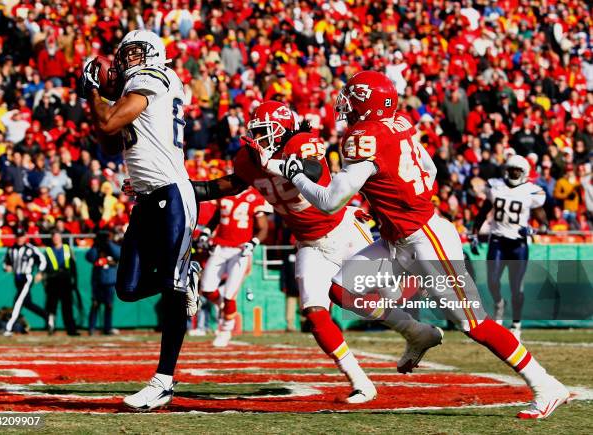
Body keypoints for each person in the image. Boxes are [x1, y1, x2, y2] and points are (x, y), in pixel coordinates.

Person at [280, 71, 569, 419]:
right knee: (341, 291)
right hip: (395, 238)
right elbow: (429, 170)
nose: (345, 105)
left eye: (351, 98)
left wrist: (295, 174)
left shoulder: (364, 137)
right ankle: (417, 334)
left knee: (472, 323)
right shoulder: (397, 124)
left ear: (364, 103)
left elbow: (329, 201)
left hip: (424, 238)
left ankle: (545, 384)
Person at [189, 101, 441, 404]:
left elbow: (311, 169)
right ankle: (360, 381)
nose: (259, 139)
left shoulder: (302, 142)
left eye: (265, 132)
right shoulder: (249, 158)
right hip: (309, 243)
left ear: (283, 129)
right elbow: (228, 185)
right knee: (315, 312)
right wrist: (185, 188)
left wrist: (273, 163)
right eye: (256, 132)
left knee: (377, 293)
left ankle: (417, 331)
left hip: (343, 230)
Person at [81, 29, 200, 411]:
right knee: (128, 288)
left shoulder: (152, 77)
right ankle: (187, 277)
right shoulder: (141, 85)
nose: (128, 59)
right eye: (125, 53)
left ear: (152, 54)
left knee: (171, 290)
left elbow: (107, 124)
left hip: (171, 193)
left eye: (136, 51)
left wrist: (94, 93)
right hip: (149, 198)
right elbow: (106, 140)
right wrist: (99, 97)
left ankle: (163, 380)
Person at [471, 155, 548, 340]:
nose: (514, 173)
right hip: (497, 240)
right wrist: (474, 233)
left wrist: (536, 229)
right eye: (511, 169)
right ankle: (499, 303)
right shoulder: (495, 186)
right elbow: (483, 211)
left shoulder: (532, 191)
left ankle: (516, 324)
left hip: (518, 244)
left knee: (516, 287)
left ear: (524, 173)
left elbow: (543, 221)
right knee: (493, 282)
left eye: (517, 170)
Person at [198, 186, 270, 347]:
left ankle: (225, 330)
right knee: (207, 289)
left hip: (240, 250)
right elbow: (218, 217)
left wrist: (254, 242)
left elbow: (263, 227)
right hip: (220, 247)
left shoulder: (255, 196)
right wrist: (206, 233)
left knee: (230, 294)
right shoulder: (225, 192)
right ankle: (223, 305)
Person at [2, 228, 48, 336]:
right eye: (18, 236)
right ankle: (47, 316)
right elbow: (6, 262)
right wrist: (7, 267)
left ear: (25, 237)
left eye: (21, 236)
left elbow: (42, 260)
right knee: (27, 303)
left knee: (17, 302)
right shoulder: (11, 249)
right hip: (17, 278)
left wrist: (40, 272)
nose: (19, 239)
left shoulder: (31, 249)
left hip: (27, 278)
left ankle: (9, 327)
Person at [85, 230, 121, 335]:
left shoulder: (113, 245)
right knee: (95, 304)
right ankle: (91, 328)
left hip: (109, 280)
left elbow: (118, 254)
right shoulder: (96, 247)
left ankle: (107, 328)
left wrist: (108, 243)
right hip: (97, 280)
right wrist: (96, 245)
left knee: (109, 305)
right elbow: (89, 257)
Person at [44, 230, 79, 336]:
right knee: (52, 306)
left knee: (67, 306)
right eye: (54, 237)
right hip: (53, 280)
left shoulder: (67, 249)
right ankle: (51, 327)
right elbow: (45, 267)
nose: (56, 239)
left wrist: (74, 281)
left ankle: (70, 329)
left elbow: (73, 267)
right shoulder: (48, 250)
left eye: (57, 237)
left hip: (65, 279)